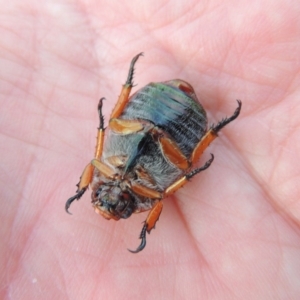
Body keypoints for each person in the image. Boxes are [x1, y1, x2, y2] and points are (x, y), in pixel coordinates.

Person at [1, 1, 299, 299]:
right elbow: (167, 189)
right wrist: (147, 224)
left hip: (147, 109)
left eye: (100, 199)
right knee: (183, 167)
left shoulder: (100, 169)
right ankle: (214, 131)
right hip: (182, 123)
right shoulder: (150, 197)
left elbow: (101, 142)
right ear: (127, 208)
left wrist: (84, 183)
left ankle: (134, 88)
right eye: (115, 207)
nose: (110, 201)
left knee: (117, 124)